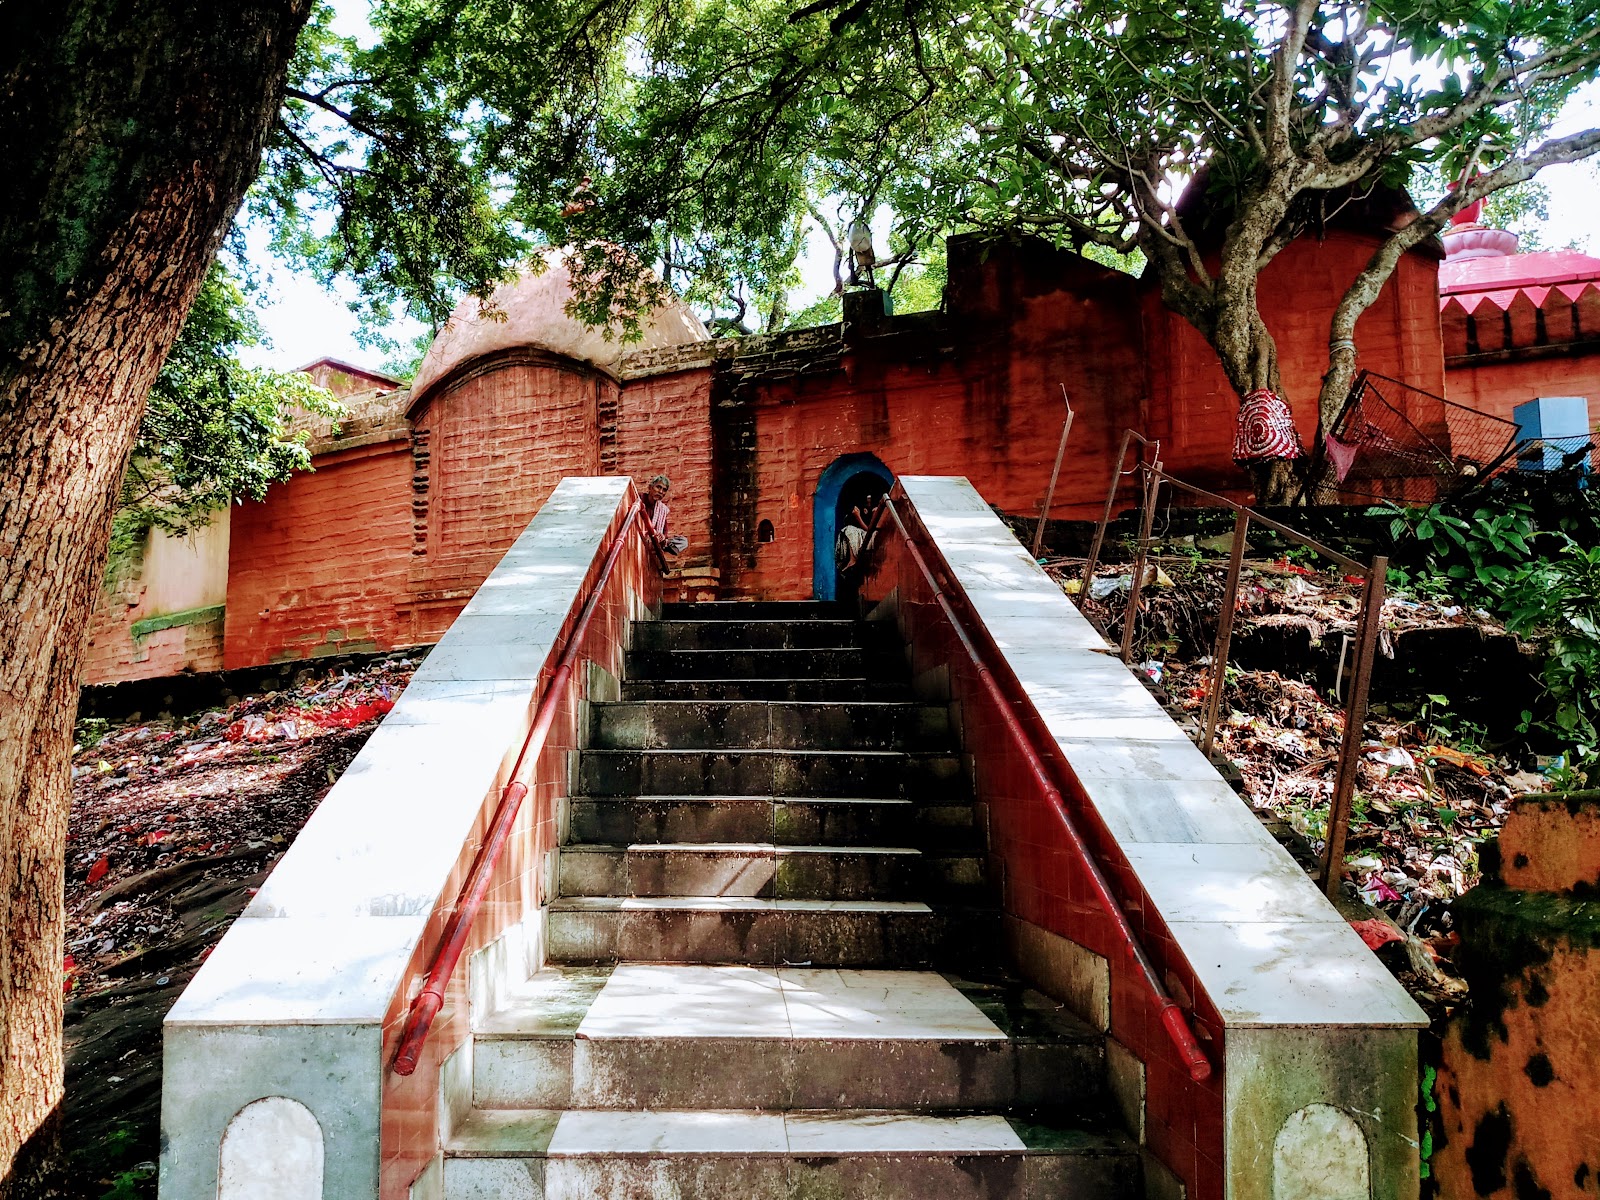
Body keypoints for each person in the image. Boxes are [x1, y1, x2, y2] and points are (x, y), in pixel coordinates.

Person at [642, 474, 688, 555]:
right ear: (650, 487)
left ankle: (664, 546)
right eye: (658, 487)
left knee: (683, 541)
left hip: (654, 540)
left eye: (664, 490)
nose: (660, 492)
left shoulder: (662, 509)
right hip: (640, 536)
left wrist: (662, 537)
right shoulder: (639, 500)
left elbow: (664, 531)